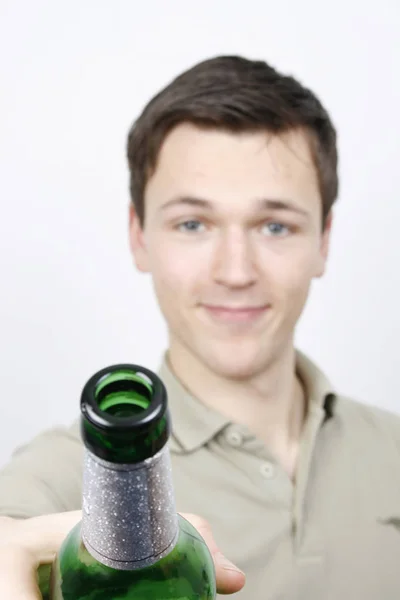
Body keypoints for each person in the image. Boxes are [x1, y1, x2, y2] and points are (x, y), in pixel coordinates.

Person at [1, 54, 400, 600]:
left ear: (323, 241)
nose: (235, 272)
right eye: (193, 223)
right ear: (139, 234)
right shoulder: (71, 475)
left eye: (275, 226)